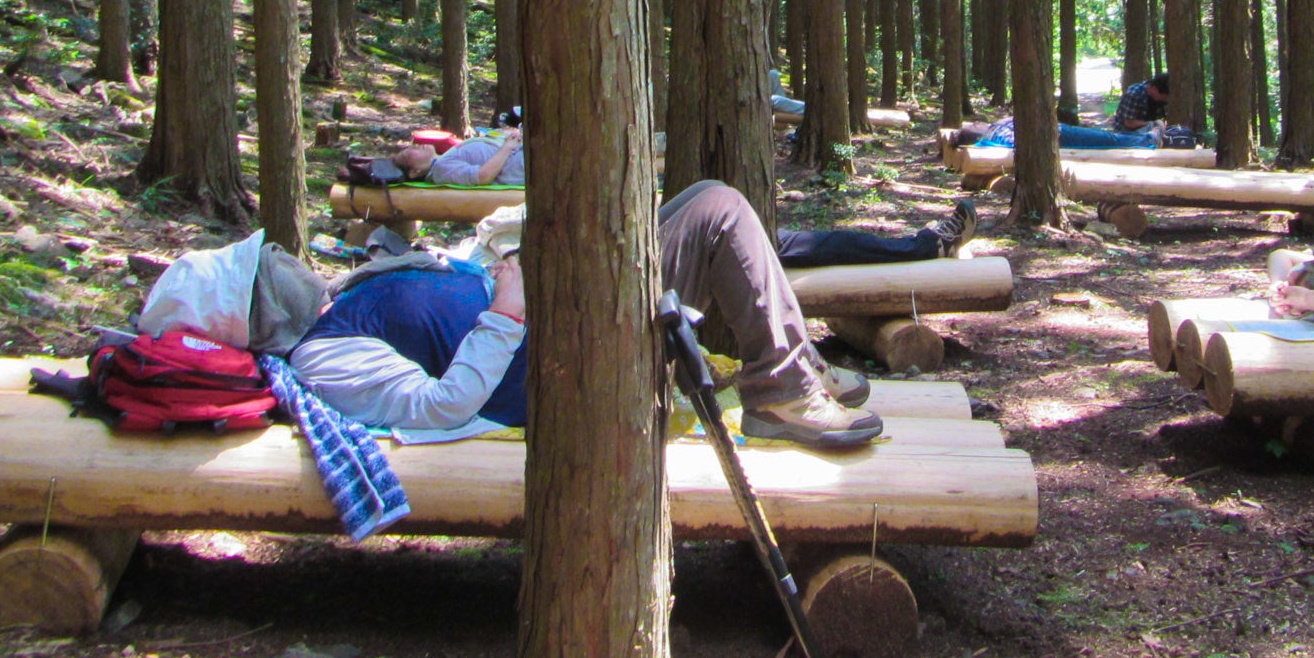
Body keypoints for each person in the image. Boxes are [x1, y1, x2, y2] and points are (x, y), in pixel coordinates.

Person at [288, 180, 885, 449]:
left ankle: (794, 363)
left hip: (564, 311)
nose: (279, 263)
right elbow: (441, 407)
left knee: (701, 195)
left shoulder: (347, 295)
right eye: (263, 276)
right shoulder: (321, 356)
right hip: (570, 358)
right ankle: (782, 391)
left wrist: (497, 267)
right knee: (720, 211)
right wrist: (505, 314)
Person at [774, 196, 976, 266]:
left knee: (843, 242)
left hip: (770, 242)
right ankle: (932, 247)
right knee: (845, 244)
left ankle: (930, 245)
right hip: (767, 251)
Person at [389, 127, 525, 187]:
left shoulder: (443, 159)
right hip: (521, 163)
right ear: (414, 172)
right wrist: (507, 147)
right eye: (408, 153)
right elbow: (483, 177)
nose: (413, 146)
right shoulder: (441, 169)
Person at [964, 114, 1157, 151]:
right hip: (1059, 135)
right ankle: (1147, 140)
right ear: (976, 132)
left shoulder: (995, 128)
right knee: (1106, 140)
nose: (978, 122)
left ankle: (1142, 137)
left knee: (1103, 136)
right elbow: (1017, 141)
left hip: (1057, 130)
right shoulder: (995, 134)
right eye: (975, 124)